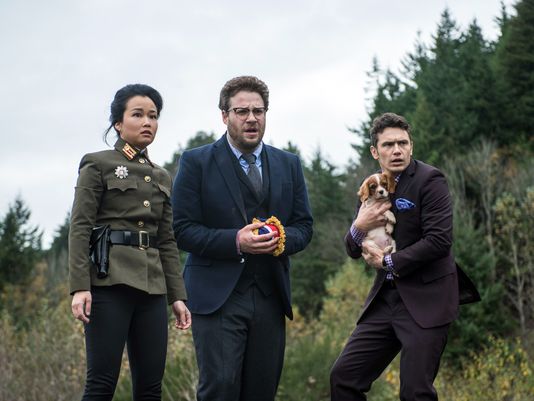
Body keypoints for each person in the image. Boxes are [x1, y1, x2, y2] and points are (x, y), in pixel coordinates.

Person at [171, 75, 313, 401]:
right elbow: (181, 229)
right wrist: (235, 241)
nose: (251, 118)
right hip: (217, 296)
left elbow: (304, 226)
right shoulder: (196, 162)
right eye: (241, 111)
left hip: (270, 294)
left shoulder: (289, 164)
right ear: (225, 116)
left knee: (262, 392)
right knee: (220, 387)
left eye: (258, 111)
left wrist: (280, 239)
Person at [330, 112, 479, 401]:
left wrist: (387, 262)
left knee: (415, 392)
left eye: (403, 143)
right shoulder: (371, 186)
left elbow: (439, 241)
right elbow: (352, 249)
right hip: (386, 299)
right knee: (343, 378)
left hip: (427, 299)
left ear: (411, 146)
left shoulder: (430, 180)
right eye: (388, 145)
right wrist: (359, 226)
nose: (397, 150)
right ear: (375, 152)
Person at [69, 84, 191, 401]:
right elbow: (80, 227)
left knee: (151, 388)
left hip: (153, 289)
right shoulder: (97, 164)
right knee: (101, 384)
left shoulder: (161, 176)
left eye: (153, 116)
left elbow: (166, 240)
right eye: (138, 115)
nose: (147, 122)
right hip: (109, 284)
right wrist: (80, 286)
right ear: (118, 124)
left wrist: (177, 296)